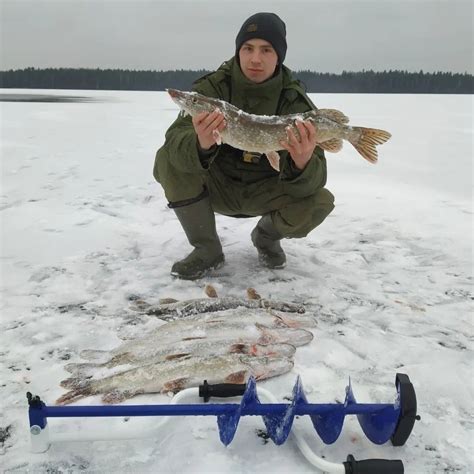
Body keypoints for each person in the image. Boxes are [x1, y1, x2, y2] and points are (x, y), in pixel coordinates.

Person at [153, 12, 335, 280]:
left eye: (266, 50)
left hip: (267, 190)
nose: (255, 59)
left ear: (279, 56)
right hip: (218, 186)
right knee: (168, 160)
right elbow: (174, 145)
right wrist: (199, 144)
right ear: (238, 51)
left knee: (319, 200)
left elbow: (315, 180)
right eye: (247, 48)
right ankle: (207, 250)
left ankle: (266, 238)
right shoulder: (211, 90)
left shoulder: (296, 102)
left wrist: (302, 163)